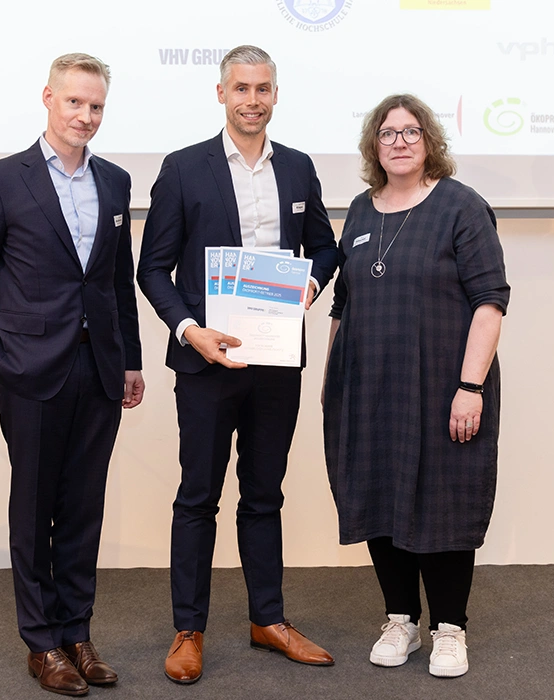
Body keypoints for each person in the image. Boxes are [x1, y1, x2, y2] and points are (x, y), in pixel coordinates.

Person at [137, 44, 339, 684]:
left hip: (277, 362)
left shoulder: (299, 167)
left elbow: (325, 250)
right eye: (242, 88)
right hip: (206, 363)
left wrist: (310, 286)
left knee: (264, 495)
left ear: (276, 94)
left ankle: (267, 620)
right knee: (198, 497)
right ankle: (188, 630)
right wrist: (189, 330)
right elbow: (152, 268)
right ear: (221, 93)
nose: (253, 100)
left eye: (263, 88)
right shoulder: (183, 168)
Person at [0, 53, 145, 697]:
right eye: (74, 102)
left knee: (84, 508)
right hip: (30, 371)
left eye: (96, 106)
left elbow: (117, 281)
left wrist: (130, 360)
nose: (85, 116)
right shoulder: (2, 180)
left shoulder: (114, 181)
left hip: (99, 369)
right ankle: (41, 643)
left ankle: (77, 633)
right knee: (35, 510)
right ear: (48, 98)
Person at [321, 94, 510, 678]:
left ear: (429, 140)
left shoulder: (461, 206)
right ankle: (400, 618)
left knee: (445, 498)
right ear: (373, 145)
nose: (398, 142)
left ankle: (450, 628)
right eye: (387, 133)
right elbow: (343, 303)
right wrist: (331, 380)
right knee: (378, 494)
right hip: (369, 386)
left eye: (410, 132)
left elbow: (490, 302)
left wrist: (470, 387)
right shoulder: (360, 210)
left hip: (443, 386)